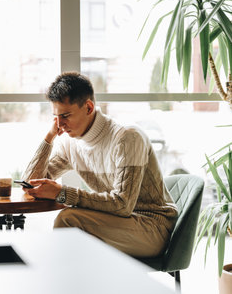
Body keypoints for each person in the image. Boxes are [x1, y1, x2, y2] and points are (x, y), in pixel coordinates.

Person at [21, 72, 178, 257]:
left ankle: (66, 284)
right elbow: (30, 183)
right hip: (116, 223)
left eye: (65, 115)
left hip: (152, 228)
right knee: (71, 225)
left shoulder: (127, 138)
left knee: (69, 219)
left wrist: (62, 193)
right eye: (55, 117)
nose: (60, 124)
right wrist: (49, 138)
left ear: (88, 107)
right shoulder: (70, 144)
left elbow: (122, 204)